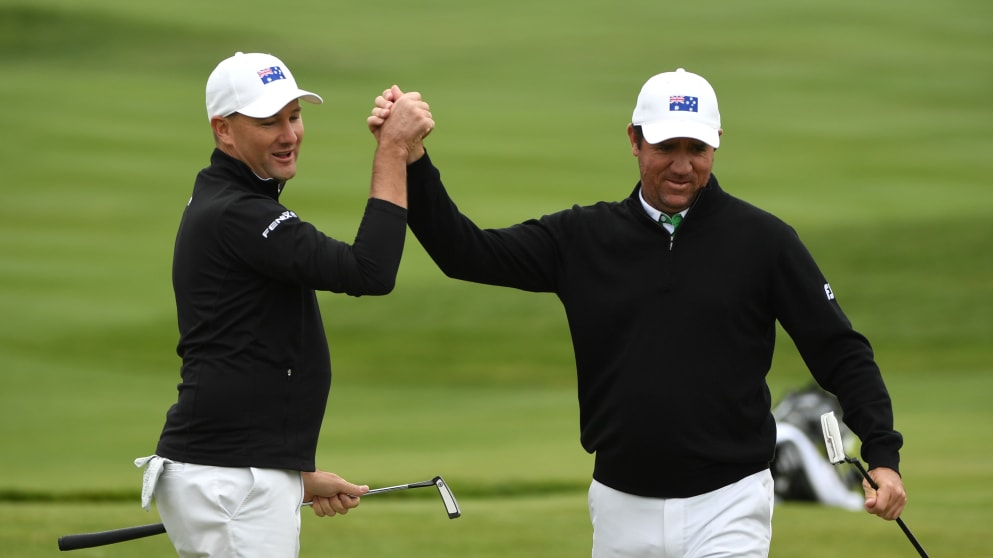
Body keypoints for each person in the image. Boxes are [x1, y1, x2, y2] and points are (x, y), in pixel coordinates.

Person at [368, 69, 907, 557]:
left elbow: (840, 352)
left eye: (697, 148)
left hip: (730, 500)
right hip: (621, 504)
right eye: (665, 146)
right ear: (633, 139)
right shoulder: (583, 237)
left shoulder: (764, 242)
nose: (681, 165)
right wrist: (411, 159)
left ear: (716, 145)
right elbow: (465, 253)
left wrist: (881, 451)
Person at [135, 52, 434, 558]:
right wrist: (392, 150)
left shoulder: (228, 201)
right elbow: (370, 271)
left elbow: (251, 350)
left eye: (294, 116)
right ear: (224, 130)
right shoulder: (238, 213)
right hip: (229, 479)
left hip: (235, 470)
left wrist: (293, 474)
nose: (288, 134)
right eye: (268, 121)